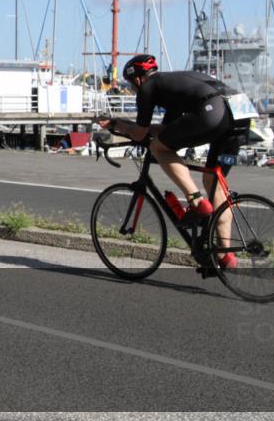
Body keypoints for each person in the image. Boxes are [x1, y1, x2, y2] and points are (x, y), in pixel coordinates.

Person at [98, 55, 248, 270]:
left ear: (137, 80)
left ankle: (196, 202)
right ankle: (225, 255)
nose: (133, 90)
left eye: (131, 86)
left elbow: (141, 134)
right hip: (240, 109)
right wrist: (131, 126)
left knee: (158, 148)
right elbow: (166, 130)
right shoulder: (173, 86)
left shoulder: (148, 87)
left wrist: (117, 124)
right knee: (213, 180)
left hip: (213, 109)